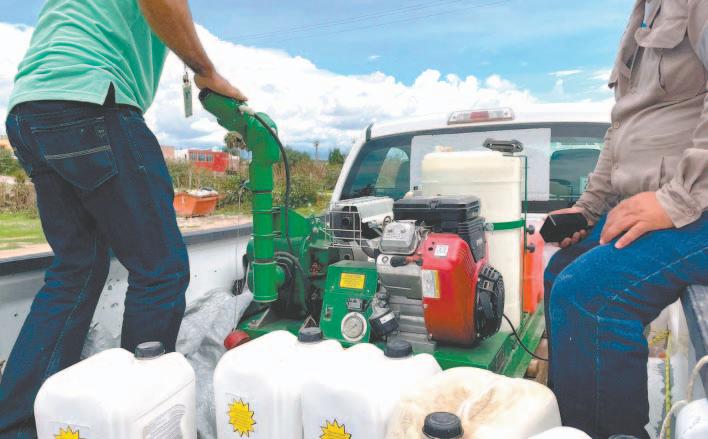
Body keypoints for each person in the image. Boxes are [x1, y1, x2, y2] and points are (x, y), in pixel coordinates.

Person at [0, 1, 247, 437]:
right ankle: (138, 421)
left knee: (77, 269)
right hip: (91, 101)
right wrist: (206, 71)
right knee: (160, 270)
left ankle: (15, 425)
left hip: (29, 111)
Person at [544, 0, 708, 438]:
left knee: (587, 294)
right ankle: (570, 422)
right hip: (657, 200)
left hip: (697, 203)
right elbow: (620, 128)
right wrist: (589, 208)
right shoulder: (644, 13)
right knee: (559, 269)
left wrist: (676, 200)